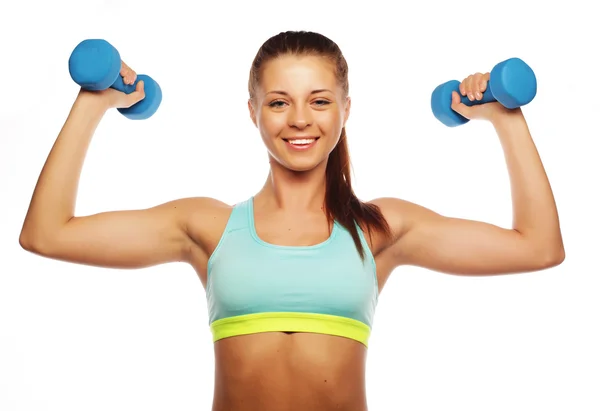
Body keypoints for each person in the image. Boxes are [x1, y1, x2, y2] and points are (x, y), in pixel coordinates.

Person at [19, 30, 565, 411]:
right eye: (278, 102)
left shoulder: (379, 230)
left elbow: (538, 247)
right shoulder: (206, 228)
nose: (300, 119)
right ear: (252, 111)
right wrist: (93, 102)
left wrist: (504, 117)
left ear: (345, 110)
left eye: (319, 100)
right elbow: (47, 233)